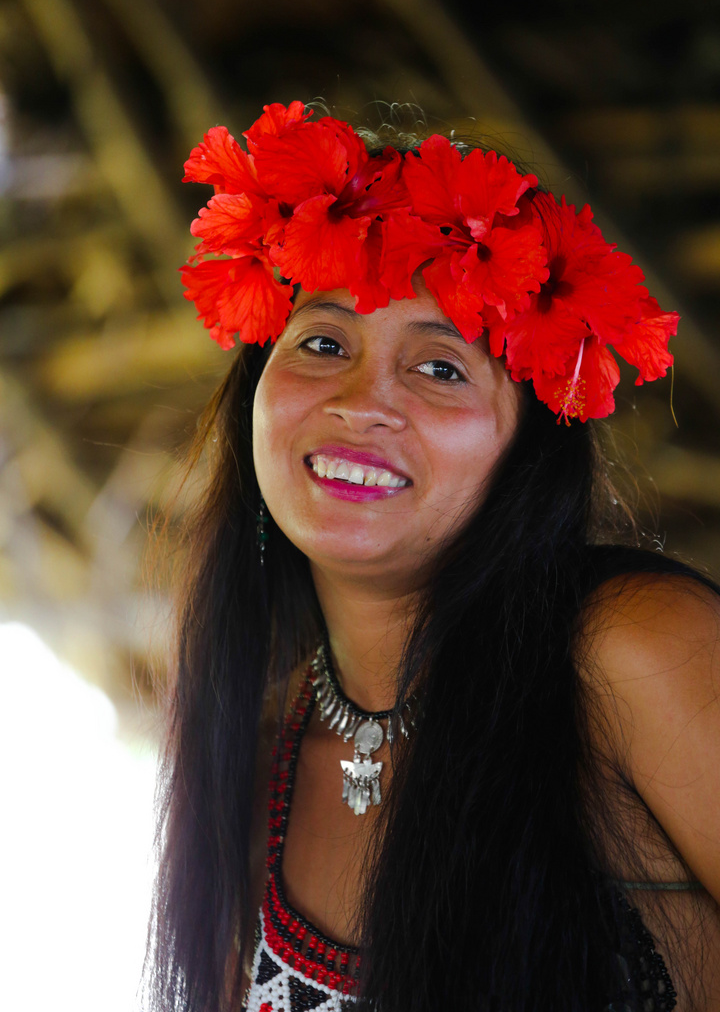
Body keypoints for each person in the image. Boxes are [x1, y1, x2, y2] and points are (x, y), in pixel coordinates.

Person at [146, 103, 720, 1012]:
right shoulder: (257, 763)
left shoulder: (631, 652)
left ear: (527, 449)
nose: (361, 403)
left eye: (441, 367)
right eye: (324, 343)